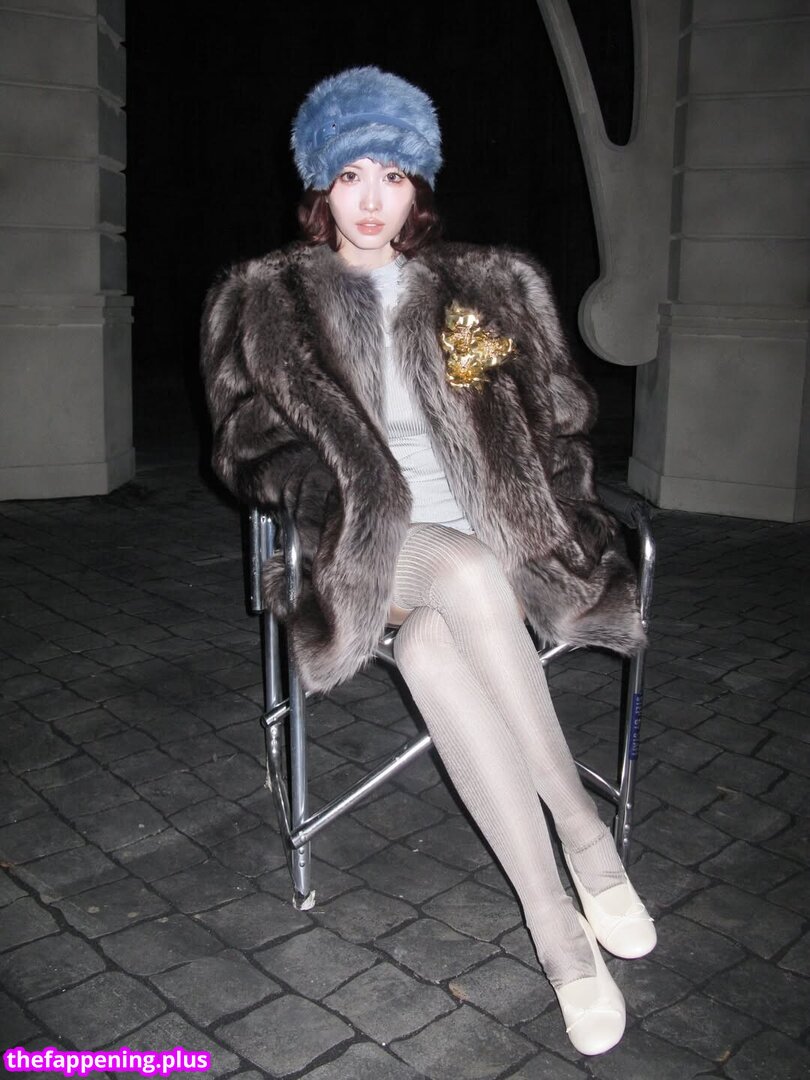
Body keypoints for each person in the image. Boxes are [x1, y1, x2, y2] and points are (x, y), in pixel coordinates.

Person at [201, 66, 655, 1056]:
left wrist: (518, 419)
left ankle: (555, 924)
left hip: (496, 551)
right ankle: (585, 834)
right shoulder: (267, 301)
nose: (371, 200)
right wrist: (325, 491)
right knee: (458, 574)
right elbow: (244, 448)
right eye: (350, 175)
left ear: (419, 187)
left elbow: (564, 416)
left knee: (436, 649)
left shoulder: (482, 287)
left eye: (393, 175)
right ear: (321, 186)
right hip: (367, 551)